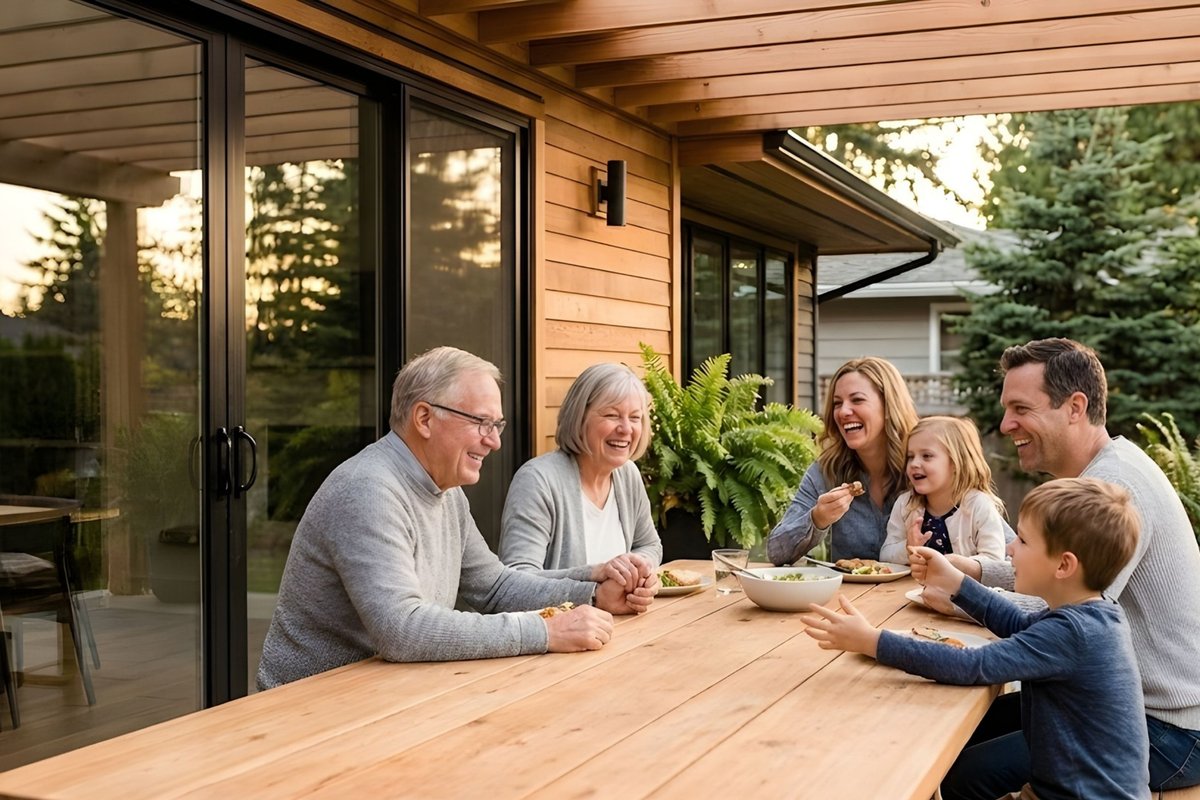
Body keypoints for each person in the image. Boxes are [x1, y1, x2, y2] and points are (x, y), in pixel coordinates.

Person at [256, 347, 656, 690]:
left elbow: (495, 586)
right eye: (481, 422)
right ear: (425, 418)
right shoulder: (369, 490)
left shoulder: (446, 494)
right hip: (313, 705)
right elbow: (402, 630)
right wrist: (545, 631)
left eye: (497, 425)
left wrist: (592, 587)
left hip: (386, 690)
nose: (494, 440)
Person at [915, 338, 1200, 795]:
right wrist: (972, 571)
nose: (1006, 424)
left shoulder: (1114, 487)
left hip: (1167, 730)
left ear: (1074, 406)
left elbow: (1056, 610)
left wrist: (959, 600)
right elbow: (1056, 573)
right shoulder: (1103, 475)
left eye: (1021, 408)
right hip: (1113, 706)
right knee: (958, 731)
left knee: (960, 773)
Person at [807, 477, 1149, 800]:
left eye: (1024, 541)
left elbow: (973, 665)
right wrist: (957, 583)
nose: (1011, 549)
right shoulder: (1096, 614)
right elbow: (1019, 624)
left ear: (1064, 566)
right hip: (1075, 790)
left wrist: (873, 641)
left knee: (951, 780)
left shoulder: (1073, 632)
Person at [499, 362, 661, 588]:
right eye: (612, 415)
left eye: (635, 418)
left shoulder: (628, 475)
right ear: (579, 417)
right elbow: (516, 580)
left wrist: (638, 569)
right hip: (557, 622)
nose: (626, 429)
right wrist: (596, 573)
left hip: (622, 620)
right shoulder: (538, 480)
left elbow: (650, 545)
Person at [768, 356, 919, 565]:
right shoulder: (826, 471)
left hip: (917, 595)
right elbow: (776, 552)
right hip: (848, 597)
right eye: (837, 403)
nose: (843, 412)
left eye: (857, 400)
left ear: (888, 405)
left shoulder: (923, 466)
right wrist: (817, 519)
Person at [879, 415, 1008, 567]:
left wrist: (954, 564)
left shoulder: (978, 505)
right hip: (911, 590)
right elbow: (885, 556)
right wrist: (907, 547)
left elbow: (995, 562)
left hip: (966, 590)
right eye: (910, 457)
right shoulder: (905, 505)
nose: (914, 463)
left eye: (926, 456)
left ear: (955, 462)